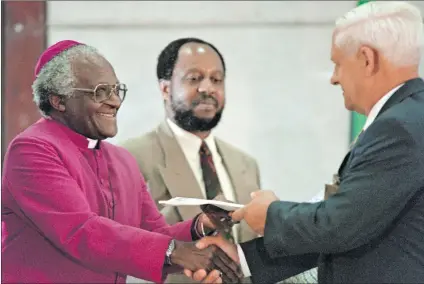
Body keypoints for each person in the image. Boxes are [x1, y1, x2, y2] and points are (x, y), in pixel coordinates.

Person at [185, 1, 424, 283]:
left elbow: (340, 225)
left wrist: (270, 214)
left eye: (337, 64)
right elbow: (356, 228)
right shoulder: (408, 117)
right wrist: (243, 259)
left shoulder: (399, 128)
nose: (334, 78)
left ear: (367, 59)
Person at [1, 40, 243, 284]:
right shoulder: (33, 149)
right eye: (100, 92)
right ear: (58, 100)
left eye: (117, 90)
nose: (116, 102)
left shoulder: (122, 160)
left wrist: (201, 225)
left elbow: (154, 235)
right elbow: (80, 231)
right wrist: (174, 251)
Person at [121, 38, 260, 283]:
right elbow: (119, 252)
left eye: (216, 79)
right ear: (165, 88)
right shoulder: (129, 158)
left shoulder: (246, 165)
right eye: (194, 78)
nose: (208, 88)